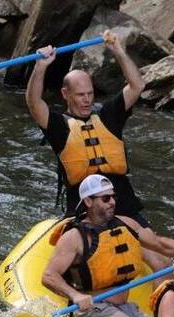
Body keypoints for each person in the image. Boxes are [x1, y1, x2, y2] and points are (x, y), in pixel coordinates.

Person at [42, 174, 174, 317]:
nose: (112, 202)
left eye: (114, 197)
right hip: (94, 309)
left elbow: (159, 245)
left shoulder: (126, 223)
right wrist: (75, 296)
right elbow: (49, 276)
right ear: (89, 201)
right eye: (105, 198)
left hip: (125, 307)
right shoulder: (74, 237)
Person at [26, 29, 148, 223]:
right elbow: (34, 102)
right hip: (84, 208)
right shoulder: (58, 125)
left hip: (122, 202)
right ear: (65, 94)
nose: (87, 100)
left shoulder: (109, 116)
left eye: (90, 93)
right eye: (80, 95)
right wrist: (40, 67)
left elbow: (137, 86)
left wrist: (118, 51)